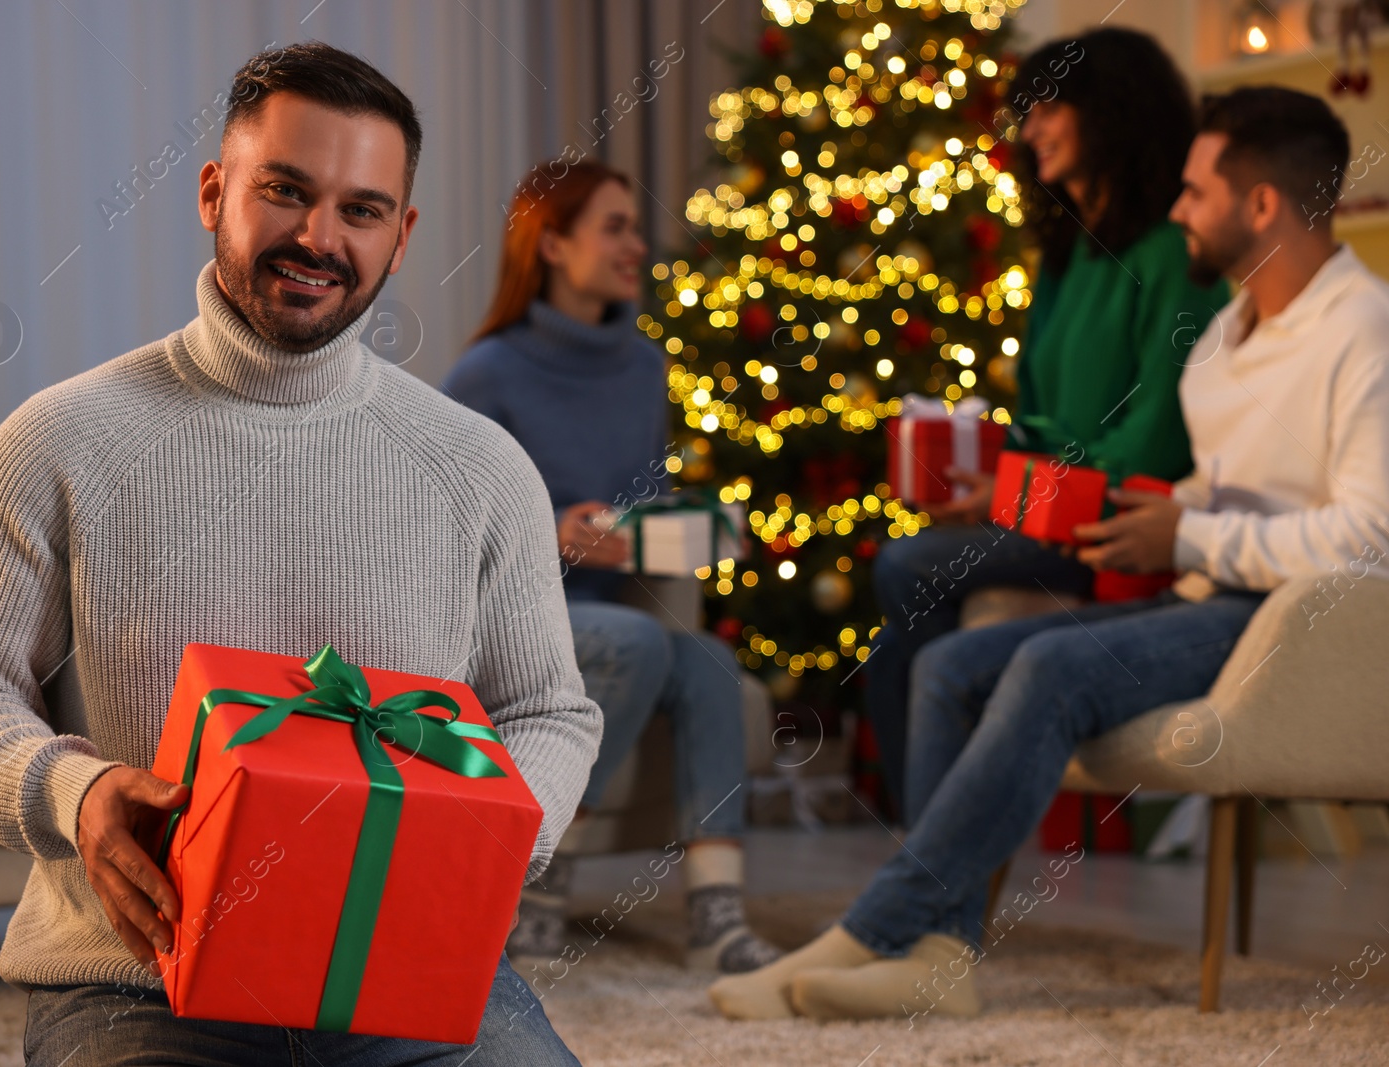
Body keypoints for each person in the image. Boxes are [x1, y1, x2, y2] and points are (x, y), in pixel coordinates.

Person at [0, 42, 598, 1066]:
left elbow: (548, 708)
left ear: (400, 240)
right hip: (136, 979)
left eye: (360, 210)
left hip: (409, 969)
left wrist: (476, 847)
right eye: (284, 191)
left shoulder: (478, 466)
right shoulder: (55, 441)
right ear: (214, 192)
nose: (317, 237)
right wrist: (74, 792)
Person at [710, 85, 1389, 1023]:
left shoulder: (1365, 329)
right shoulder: (1226, 336)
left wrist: (1184, 531)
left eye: (1195, 192)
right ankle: (941, 953)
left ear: (1262, 205)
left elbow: (1368, 539)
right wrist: (1151, 515)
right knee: (948, 667)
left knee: (1046, 662)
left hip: (1292, 623)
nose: (1178, 210)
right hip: (1207, 593)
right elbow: (1224, 488)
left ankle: (875, 928)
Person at [866, 27, 1229, 819]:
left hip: (1116, 514)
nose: (1027, 133)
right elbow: (1037, 418)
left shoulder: (1173, 252)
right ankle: (928, 853)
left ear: (1109, 111)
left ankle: (930, 854)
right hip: (1047, 506)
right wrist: (991, 484)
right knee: (893, 646)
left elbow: (1157, 440)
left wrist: (1010, 498)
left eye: (1044, 109)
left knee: (903, 570)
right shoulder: (1066, 256)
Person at [443, 158, 780, 973]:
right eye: (616, 227)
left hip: (613, 607)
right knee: (637, 641)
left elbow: (645, 502)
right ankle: (537, 879)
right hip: (511, 619)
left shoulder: (643, 367)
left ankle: (716, 911)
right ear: (552, 243)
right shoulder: (487, 373)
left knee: (708, 659)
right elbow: (448, 533)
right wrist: (550, 531)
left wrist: (667, 531)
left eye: (636, 226)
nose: (639, 244)